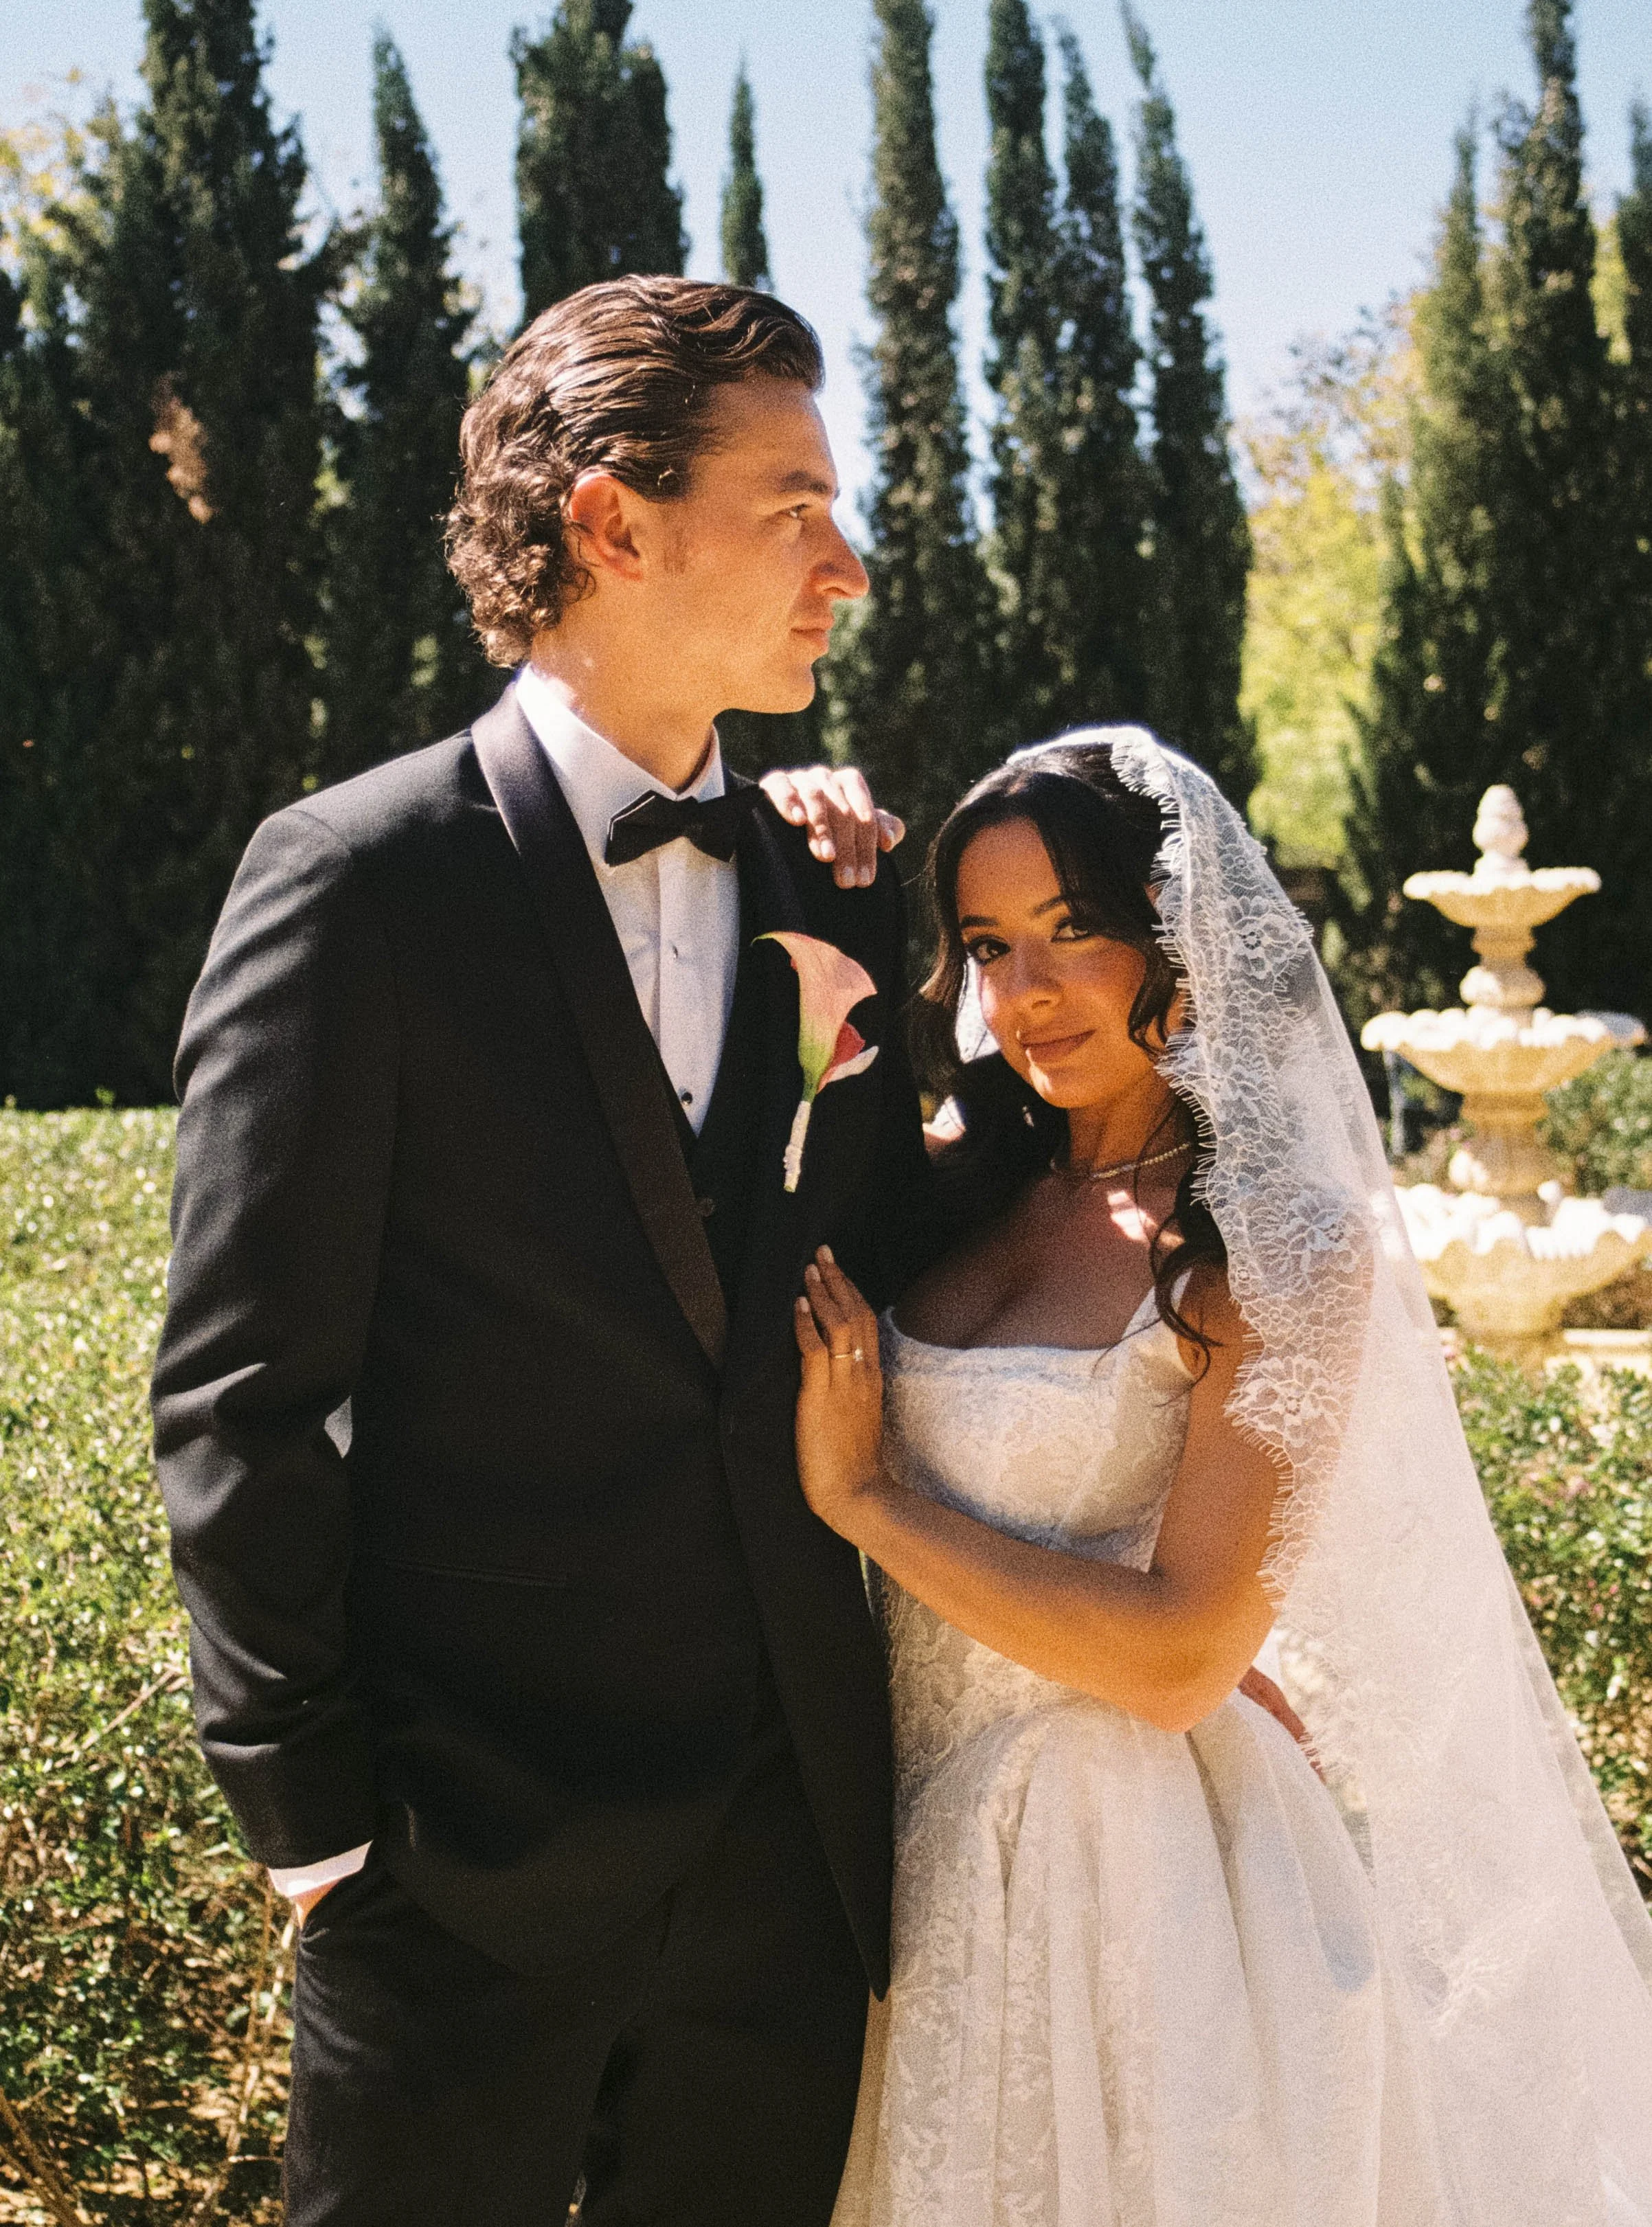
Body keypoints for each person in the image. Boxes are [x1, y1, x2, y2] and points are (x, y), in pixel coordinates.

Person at [152, 276, 931, 2227]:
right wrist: (315, 1832)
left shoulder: (820, 882)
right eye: (796, 503)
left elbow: (908, 1263)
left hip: (784, 1874)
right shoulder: (354, 879)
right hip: (455, 1869)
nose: (845, 561)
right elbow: (243, 1394)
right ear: (610, 520)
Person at [794, 733, 1652, 2227]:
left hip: (1128, 1885)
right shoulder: (949, 1180)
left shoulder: (1278, 1247)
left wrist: (873, 1504)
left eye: (1073, 932)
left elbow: (1188, 1655)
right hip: (901, 1861)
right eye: (990, 946)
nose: (1027, 993)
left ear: (1169, 941)